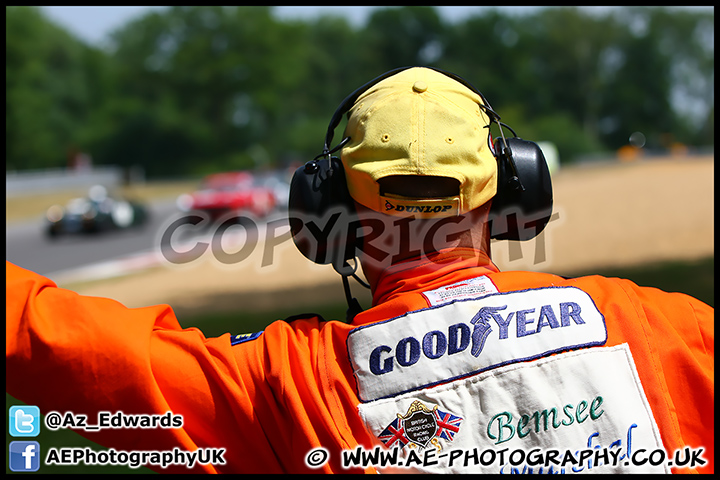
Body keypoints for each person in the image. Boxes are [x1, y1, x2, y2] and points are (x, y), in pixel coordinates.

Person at [6, 67, 713, 474]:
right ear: (518, 195)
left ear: (326, 209)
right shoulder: (662, 329)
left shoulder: (287, 388)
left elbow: (54, 345)